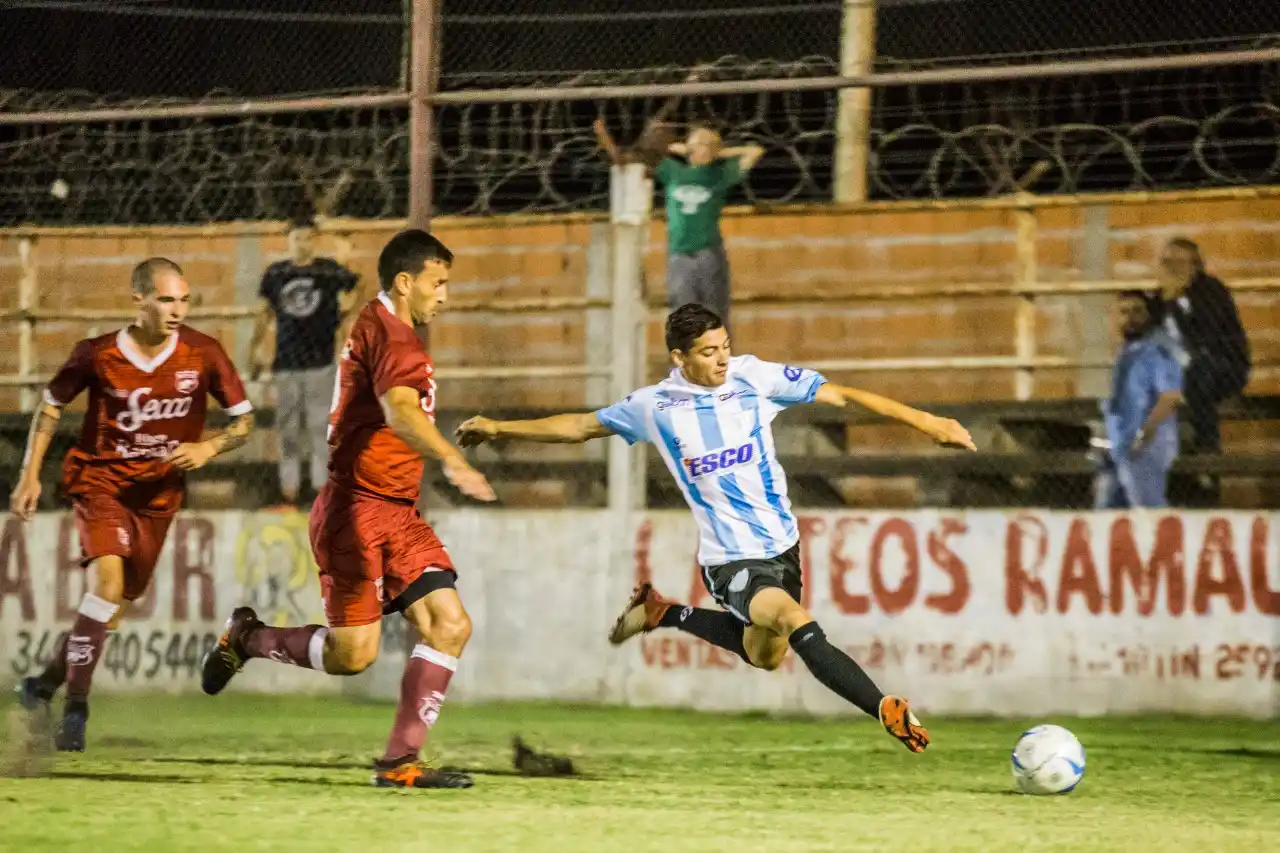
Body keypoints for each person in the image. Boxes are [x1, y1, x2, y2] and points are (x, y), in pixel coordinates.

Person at [456, 304, 976, 751]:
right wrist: (501, 427)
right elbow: (581, 426)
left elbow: (841, 395)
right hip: (729, 560)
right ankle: (882, 706)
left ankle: (664, 612)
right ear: (679, 358)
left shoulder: (753, 377)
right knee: (795, 621)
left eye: (725, 346)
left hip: (783, 547)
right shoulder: (655, 406)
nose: (722, 358)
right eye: (708, 351)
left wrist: (928, 422)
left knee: (764, 654)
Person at [200, 229, 496, 790]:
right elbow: (402, 411)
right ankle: (249, 639)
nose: (445, 295)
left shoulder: (381, 320)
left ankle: (399, 764)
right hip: (356, 514)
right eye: (439, 283)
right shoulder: (395, 339)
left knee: (449, 625)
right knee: (351, 656)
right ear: (405, 283)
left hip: (397, 513)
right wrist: (453, 461)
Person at [10, 258, 254, 751]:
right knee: (107, 584)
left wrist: (209, 446)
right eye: (166, 299)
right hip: (101, 485)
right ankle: (75, 709)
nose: (177, 310)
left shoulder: (203, 354)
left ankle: (42, 685)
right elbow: (52, 404)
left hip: (158, 499)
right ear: (138, 300)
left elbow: (243, 422)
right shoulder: (97, 354)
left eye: (184, 300)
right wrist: (30, 475)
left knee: (108, 612)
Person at [250, 214, 360, 505]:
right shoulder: (277, 274)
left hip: (320, 361)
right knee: (288, 430)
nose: (303, 244)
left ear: (315, 241)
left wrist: (344, 252)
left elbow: (352, 290)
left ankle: (319, 490)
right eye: (297, 238)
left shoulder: (326, 270)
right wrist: (256, 349)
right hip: (286, 362)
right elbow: (264, 314)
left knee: (319, 428)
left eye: (308, 238)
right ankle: (289, 490)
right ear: (289, 242)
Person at [656, 127, 764, 330]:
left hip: (708, 251)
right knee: (682, 312)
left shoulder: (720, 175)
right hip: (679, 252)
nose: (703, 149)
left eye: (709, 145)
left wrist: (720, 152)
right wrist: (680, 148)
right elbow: (649, 153)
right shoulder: (673, 171)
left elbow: (754, 152)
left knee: (714, 311)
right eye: (698, 144)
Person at [1149, 237, 1250, 455]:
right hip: (1177, 373)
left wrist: (1174, 303)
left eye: (1179, 262)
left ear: (1195, 267)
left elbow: (1204, 340)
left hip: (1223, 367)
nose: (1172, 269)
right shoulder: (1156, 299)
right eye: (1167, 263)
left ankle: (1207, 447)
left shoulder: (1211, 291)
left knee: (1199, 370)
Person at [1095, 291, 1184, 509]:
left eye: (1137, 311)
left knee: (1147, 512)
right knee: (1108, 515)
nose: (1130, 317)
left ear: (1148, 316)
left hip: (1144, 449)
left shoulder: (1158, 352)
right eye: (1124, 312)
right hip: (1119, 448)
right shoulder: (1124, 355)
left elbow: (1170, 397)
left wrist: (1145, 433)